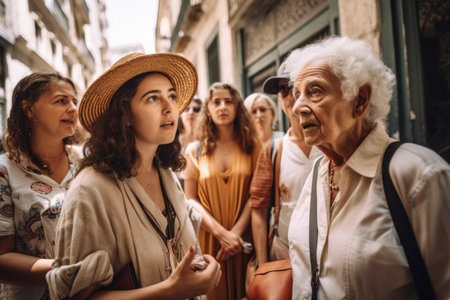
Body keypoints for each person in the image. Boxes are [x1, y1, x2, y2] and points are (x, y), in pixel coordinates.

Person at [46, 53, 221, 300]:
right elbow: (76, 297)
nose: (170, 106)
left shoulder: (165, 173)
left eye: (171, 96)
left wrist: (203, 271)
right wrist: (171, 290)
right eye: (152, 98)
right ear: (124, 114)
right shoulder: (90, 190)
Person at [287, 36, 450, 299]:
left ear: (360, 100)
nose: (297, 107)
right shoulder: (317, 172)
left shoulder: (420, 174)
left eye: (315, 91)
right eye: (297, 94)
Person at [0, 73, 81, 299]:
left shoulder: (88, 164)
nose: (73, 108)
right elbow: (2, 258)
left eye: (74, 101)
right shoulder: (4, 171)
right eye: (61, 101)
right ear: (29, 109)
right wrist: (73, 270)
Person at [183, 82, 260, 300]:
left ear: (237, 107)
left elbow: (256, 194)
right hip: (210, 241)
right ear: (208, 109)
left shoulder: (253, 146)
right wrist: (221, 234)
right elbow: (190, 199)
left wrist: (233, 235)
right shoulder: (195, 150)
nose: (222, 106)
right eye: (216, 102)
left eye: (229, 101)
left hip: (242, 241)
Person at [250, 60, 321, 267]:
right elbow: (259, 209)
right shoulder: (274, 150)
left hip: (330, 254)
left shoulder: (330, 143)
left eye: (293, 87)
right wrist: (263, 266)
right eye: (282, 91)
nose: (289, 96)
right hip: (286, 255)